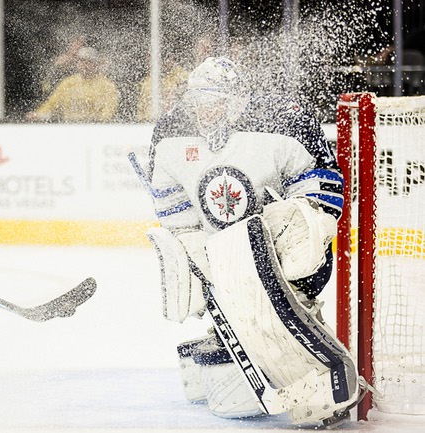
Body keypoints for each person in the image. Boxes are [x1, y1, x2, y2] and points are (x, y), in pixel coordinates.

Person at [134, 57, 362, 426]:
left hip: (279, 243)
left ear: (238, 99)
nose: (205, 109)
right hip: (222, 251)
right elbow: (171, 198)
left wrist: (297, 229)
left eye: (216, 100)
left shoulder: (284, 120)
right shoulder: (171, 130)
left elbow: (322, 183)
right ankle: (233, 353)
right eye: (199, 100)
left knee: (287, 310)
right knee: (232, 307)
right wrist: (190, 245)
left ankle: (313, 376)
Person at [26, 46, 119, 123]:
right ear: (77, 63)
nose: (85, 65)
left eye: (89, 62)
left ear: (96, 64)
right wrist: (37, 114)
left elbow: (109, 111)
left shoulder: (107, 85)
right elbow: (51, 104)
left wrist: (99, 121)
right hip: (70, 128)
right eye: (81, 61)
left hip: (95, 129)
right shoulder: (68, 83)